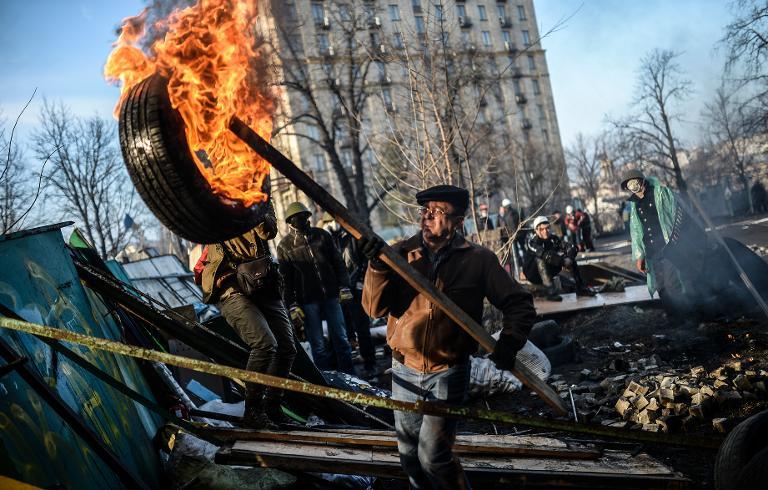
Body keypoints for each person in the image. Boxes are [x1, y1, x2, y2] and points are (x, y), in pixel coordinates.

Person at [359, 184, 536, 490]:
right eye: (424, 210)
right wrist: (376, 268)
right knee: (409, 458)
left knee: (433, 457)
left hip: (448, 373)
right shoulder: (399, 255)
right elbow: (374, 308)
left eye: (437, 211)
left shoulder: (478, 260)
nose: (427, 217)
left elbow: (519, 303)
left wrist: (510, 341)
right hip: (404, 369)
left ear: (457, 221)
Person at [200, 202, 296, 429]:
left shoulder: (257, 198)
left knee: (287, 348)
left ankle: (272, 407)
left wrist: (256, 204)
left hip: (262, 281)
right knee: (265, 344)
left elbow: (268, 231)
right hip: (230, 285)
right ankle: (253, 410)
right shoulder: (216, 200)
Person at [621, 169, 750, 320]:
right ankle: (675, 319)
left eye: (635, 182)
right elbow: (637, 231)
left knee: (673, 284)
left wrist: (682, 239)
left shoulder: (661, 193)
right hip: (651, 251)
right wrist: (640, 255)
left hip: (667, 247)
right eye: (629, 185)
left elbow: (679, 214)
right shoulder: (635, 205)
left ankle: (689, 317)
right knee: (661, 286)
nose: (633, 187)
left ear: (642, 181)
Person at [277, 202, 355, 374]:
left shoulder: (322, 236)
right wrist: (291, 304)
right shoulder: (284, 245)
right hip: (307, 301)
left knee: (341, 339)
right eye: (296, 218)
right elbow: (285, 280)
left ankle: (350, 377)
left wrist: (344, 286)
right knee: (318, 345)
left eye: (304, 216)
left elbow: (338, 263)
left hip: (332, 296)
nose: (301, 220)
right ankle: (326, 382)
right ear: (289, 222)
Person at [320, 212, 377, 378]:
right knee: (342, 330)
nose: (332, 224)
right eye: (329, 221)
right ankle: (346, 369)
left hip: (355, 288)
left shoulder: (353, 237)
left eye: (334, 220)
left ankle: (370, 364)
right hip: (337, 291)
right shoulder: (324, 241)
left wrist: (360, 282)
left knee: (362, 327)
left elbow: (364, 261)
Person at [523, 216, 596, 301]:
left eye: (547, 228)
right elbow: (544, 254)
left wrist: (569, 258)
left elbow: (571, 247)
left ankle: (581, 288)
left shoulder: (553, 239)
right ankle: (550, 292)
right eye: (541, 229)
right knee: (541, 259)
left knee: (570, 259)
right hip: (532, 273)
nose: (545, 231)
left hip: (548, 269)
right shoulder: (532, 242)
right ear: (536, 230)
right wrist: (562, 261)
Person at [497, 198, 523, 276]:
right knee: (516, 253)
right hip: (514, 236)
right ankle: (518, 270)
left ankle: (518, 271)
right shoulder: (514, 213)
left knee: (515, 254)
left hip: (511, 237)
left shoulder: (508, 215)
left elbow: (509, 226)